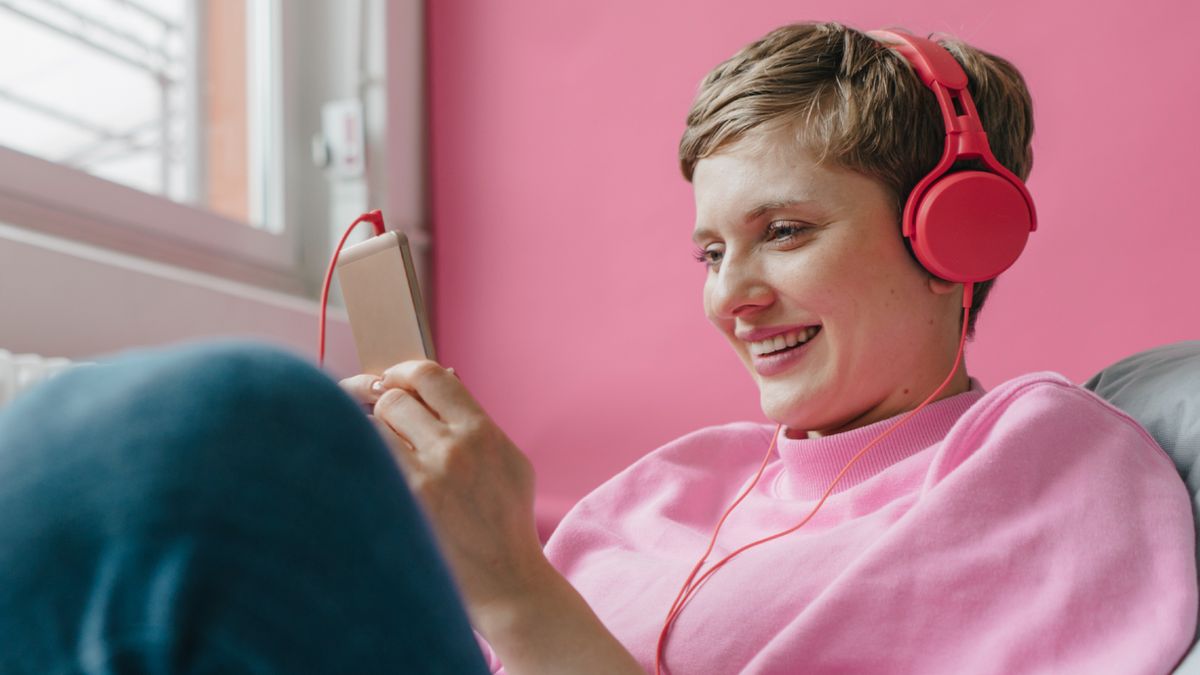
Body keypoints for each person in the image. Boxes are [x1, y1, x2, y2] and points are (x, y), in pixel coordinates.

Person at [0, 20, 1192, 675]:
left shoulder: (1046, 460)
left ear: (955, 232)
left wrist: (516, 587)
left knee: (215, 421)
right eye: (711, 254)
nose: (735, 295)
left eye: (784, 232)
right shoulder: (682, 481)